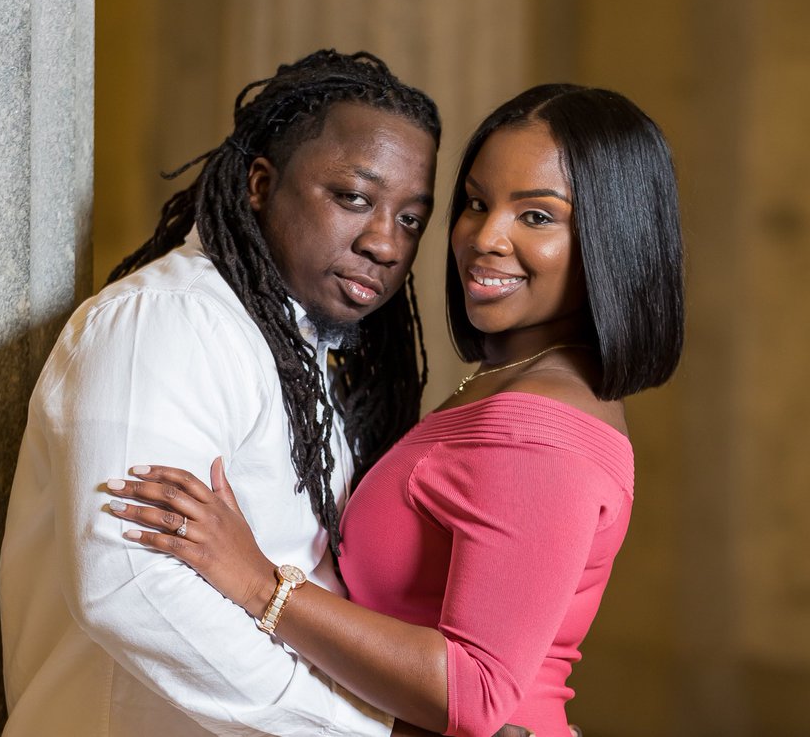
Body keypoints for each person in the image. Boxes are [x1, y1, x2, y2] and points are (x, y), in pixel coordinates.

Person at [106, 84, 684, 737]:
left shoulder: (539, 434)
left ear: (612, 239)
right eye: (476, 203)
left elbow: (474, 692)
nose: (484, 237)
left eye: (537, 216)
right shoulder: (508, 385)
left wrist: (262, 584)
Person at [0, 49, 446, 736]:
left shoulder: (300, 353)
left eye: (411, 218)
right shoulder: (169, 323)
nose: (386, 243)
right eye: (354, 198)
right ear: (261, 185)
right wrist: (366, 728)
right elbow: (131, 586)